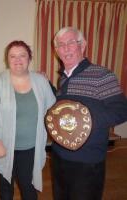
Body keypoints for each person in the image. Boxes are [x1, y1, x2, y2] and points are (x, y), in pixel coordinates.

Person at [51, 27, 127, 200]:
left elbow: (121, 110)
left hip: (88, 160)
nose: (66, 48)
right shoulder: (63, 78)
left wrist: (85, 119)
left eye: (71, 43)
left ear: (83, 45)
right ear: (56, 51)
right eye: (61, 45)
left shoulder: (102, 75)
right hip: (60, 156)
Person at [0, 40, 56, 200]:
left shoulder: (41, 81)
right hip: (4, 146)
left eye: (22, 55)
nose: (17, 60)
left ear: (29, 58)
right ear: (7, 59)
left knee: (28, 186)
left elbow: (52, 109)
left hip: (31, 147)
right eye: (13, 56)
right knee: (5, 185)